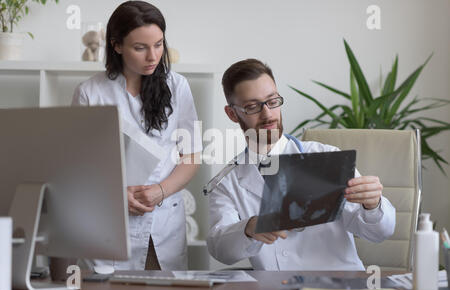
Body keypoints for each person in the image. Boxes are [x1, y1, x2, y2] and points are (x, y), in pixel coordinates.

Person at [207, 58, 396, 271]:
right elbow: (219, 248)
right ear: (232, 114)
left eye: (272, 101)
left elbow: (380, 232)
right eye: (252, 107)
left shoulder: (325, 158)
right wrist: (248, 229)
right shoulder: (228, 183)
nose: (268, 114)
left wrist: (372, 205)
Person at [72, 1, 202, 270]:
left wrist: (160, 191)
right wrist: (116, 194)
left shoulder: (178, 87)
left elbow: (192, 156)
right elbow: (79, 168)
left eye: (158, 44)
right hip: (107, 222)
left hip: (162, 222)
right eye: (140, 48)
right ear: (117, 46)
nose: (153, 56)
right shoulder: (89, 92)